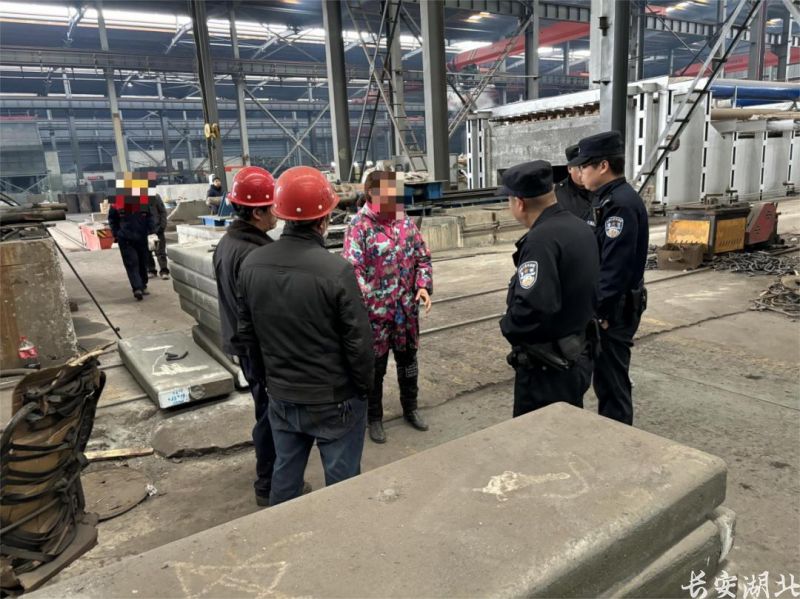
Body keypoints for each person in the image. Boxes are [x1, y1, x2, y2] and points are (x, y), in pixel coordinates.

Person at [237, 166, 374, 506]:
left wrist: (270, 382)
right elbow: (359, 343)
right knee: (343, 488)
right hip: (334, 400)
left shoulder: (252, 264)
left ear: (281, 213)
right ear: (324, 219)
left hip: (282, 396)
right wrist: (362, 390)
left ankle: (283, 530)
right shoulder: (336, 271)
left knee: (285, 476)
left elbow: (246, 337)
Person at [499, 160, 599, 417]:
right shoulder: (579, 226)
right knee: (567, 426)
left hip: (547, 369)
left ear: (519, 203)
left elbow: (533, 306)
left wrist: (508, 326)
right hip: (577, 355)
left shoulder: (540, 241)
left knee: (537, 434)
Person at [343, 170, 433, 445]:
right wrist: (371, 302)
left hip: (405, 313)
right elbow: (353, 271)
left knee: (408, 364)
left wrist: (422, 285)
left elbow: (423, 258)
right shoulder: (358, 227)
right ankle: (374, 418)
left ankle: (410, 408)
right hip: (376, 317)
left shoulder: (404, 221)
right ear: (371, 194)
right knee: (376, 370)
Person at [568, 131, 649, 425]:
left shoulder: (620, 205)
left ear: (603, 166)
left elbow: (615, 268)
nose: (580, 173)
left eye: (584, 166)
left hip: (613, 312)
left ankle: (618, 437)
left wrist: (599, 312)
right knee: (606, 379)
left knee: (612, 382)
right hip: (610, 307)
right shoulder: (607, 199)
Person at [213, 166, 282, 506]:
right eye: (272, 206)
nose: (277, 212)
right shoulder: (255, 254)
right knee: (270, 415)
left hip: (244, 345)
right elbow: (265, 315)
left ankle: (272, 477)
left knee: (264, 409)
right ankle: (268, 484)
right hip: (260, 349)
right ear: (257, 212)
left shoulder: (228, 243)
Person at [108, 172, 158, 301]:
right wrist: (117, 234)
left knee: (142, 262)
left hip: (142, 237)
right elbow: (112, 220)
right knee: (131, 263)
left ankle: (143, 284)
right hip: (126, 239)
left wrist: (152, 232)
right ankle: (137, 288)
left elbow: (150, 217)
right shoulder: (116, 203)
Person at [555, 144, 595, 225]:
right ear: (569, 169)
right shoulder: (559, 193)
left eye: (587, 167)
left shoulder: (600, 185)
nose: (584, 172)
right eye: (580, 168)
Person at [146, 192, 170, 280]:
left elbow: (163, 212)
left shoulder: (155, 196)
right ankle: (151, 270)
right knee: (147, 252)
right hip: (144, 230)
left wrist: (162, 226)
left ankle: (164, 271)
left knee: (160, 252)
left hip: (157, 229)